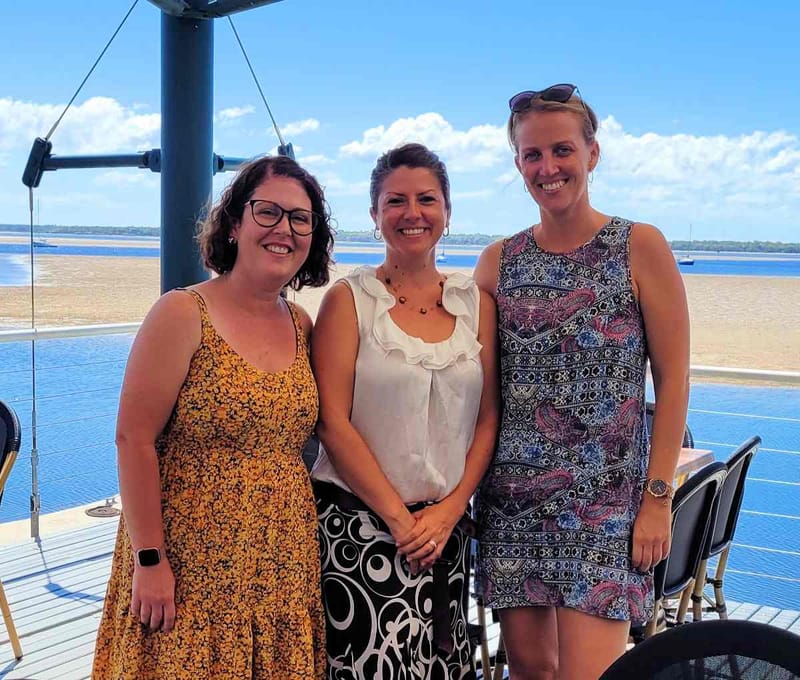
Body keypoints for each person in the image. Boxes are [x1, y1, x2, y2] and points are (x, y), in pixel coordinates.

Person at [474, 84, 690, 679]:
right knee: (529, 673)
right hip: (512, 504)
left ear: (592, 153)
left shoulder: (638, 247)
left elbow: (672, 384)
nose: (549, 168)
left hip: (605, 509)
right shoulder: (498, 261)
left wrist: (657, 501)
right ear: (518, 164)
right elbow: (482, 393)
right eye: (532, 155)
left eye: (562, 150)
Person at [92, 155, 334, 679]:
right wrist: (149, 560)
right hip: (189, 557)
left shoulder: (302, 323)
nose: (284, 230)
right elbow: (133, 438)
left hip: (280, 559)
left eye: (300, 218)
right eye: (268, 212)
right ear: (233, 223)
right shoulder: (182, 313)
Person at [310, 142, 500, 679]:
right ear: (375, 215)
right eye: (396, 201)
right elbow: (332, 423)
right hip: (360, 534)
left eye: (426, 199)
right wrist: (400, 520)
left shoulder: (475, 304)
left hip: (444, 535)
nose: (412, 214)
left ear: (446, 211)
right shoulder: (349, 301)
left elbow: (488, 419)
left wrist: (449, 511)